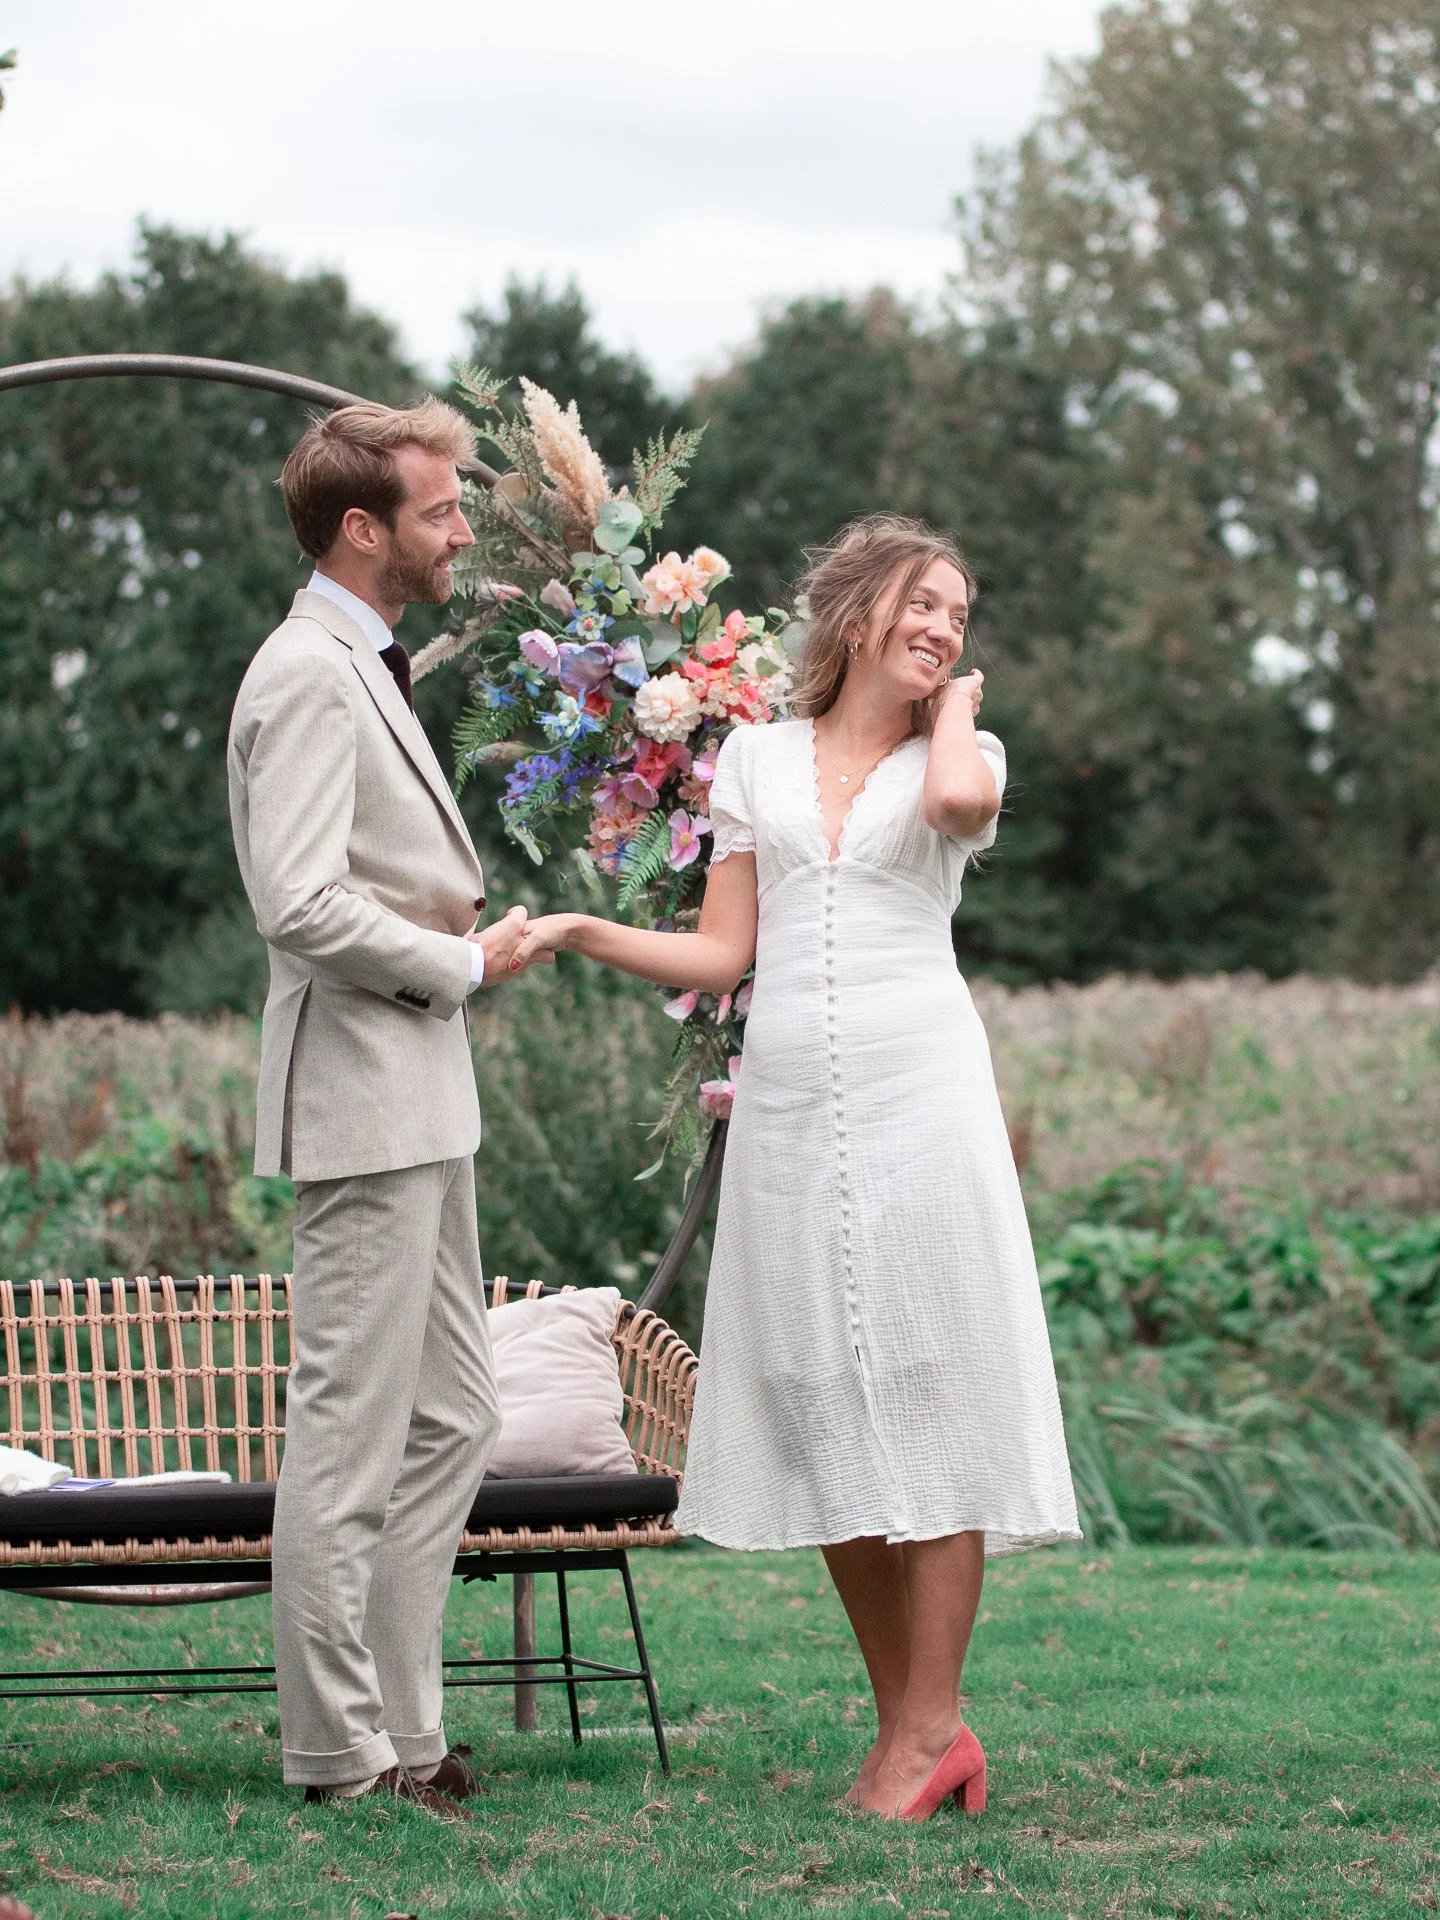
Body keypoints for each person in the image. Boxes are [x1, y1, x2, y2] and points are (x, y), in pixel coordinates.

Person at [512, 513, 1080, 1820]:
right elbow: (725, 957)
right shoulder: (755, 759)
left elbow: (955, 807)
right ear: (857, 606)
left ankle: (931, 1729)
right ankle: (912, 1730)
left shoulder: (962, 749)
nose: (944, 627)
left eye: (961, 615)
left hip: (920, 1090)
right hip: (788, 1106)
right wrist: (589, 928)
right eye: (924, 605)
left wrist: (959, 703)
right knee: (825, 1397)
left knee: (930, 1391)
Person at [227, 398, 532, 1818]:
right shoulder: (303, 671)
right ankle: (339, 1756)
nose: (464, 525)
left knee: (455, 1419)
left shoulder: (364, 663)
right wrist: (458, 961)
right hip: (360, 1094)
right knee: (351, 1433)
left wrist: (471, 947)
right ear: (365, 527)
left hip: (427, 1099)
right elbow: (296, 903)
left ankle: (408, 1728)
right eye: (444, 505)